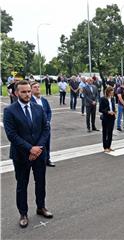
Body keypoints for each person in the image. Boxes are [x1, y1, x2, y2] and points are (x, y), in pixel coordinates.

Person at [3, 80, 53, 228]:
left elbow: (46, 129)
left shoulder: (38, 108)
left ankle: (41, 207)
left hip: (39, 154)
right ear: (16, 93)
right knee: (22, 185)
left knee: (40, 182)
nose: (27, 94)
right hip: (21, 155)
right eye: (23, 92)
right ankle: (23, 213)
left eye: (28, 91)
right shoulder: (10, 111)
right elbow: (12, 135)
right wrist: (30, 149)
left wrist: (38, 148)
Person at [30, 82, 55, 167]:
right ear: (31, 89)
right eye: (35, 87)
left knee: (47, 144)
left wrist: (47, 121)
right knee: (37, 144)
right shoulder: (29, 101)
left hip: (46, 127)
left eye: (38, 87)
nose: (37, 88)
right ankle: (38, 161)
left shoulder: (44, 100)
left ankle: (47, 159)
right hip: (36, 128)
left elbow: (49, 112)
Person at [99, 87, 116, 153]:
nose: (113, 93)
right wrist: (108, 112)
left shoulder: (112, 98)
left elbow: (113, 107)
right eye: (112, 92)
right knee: (105, 132)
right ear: (108, 92)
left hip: (112, 117)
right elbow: (100, 109)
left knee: (110, 132)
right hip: (106, 117)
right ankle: (105, 147)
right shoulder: (103, 99)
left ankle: (109, 146)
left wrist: (114, 111)